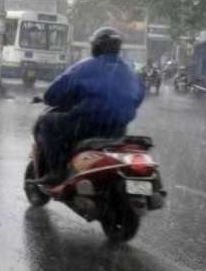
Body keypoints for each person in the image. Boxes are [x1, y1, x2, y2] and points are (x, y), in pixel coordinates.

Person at [32, 27, 144, 185]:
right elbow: (138, 97)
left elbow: (55, 93)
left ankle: (56, 171)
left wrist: (46, 98)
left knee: (45, 123)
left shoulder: (86, 67)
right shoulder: (130, 70)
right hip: (117, 129)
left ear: (96, 47)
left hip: (86, 125)